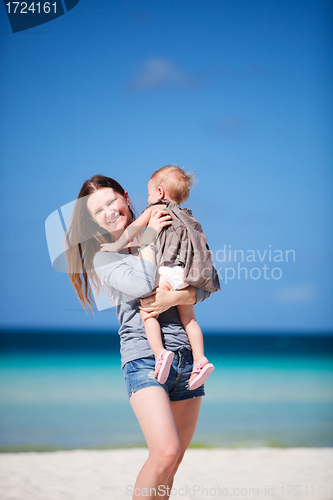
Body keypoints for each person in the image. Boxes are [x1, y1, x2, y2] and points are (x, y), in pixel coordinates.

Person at [66, 174, 214, 500]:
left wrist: (174, 298)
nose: (108, 211)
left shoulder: (167, 235)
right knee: (164, 451)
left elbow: (202, 285)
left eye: (111, 201)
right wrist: (148, 232)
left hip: (185, 357)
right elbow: (145, 285)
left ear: (126, 197)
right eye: (97, 211)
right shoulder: (105, 256)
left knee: (172, 463)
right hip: (144, 357)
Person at [99, 165, 220, 390]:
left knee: (148, 311)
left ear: (160, 193)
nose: (148, 197)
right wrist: (178, 295)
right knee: (191, 320)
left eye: (149, 193)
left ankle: (160, 353)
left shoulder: (156, 210)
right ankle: (201, 359)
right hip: (185, 274)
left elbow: (133, 230)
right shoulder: (189, 219)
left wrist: (116, 245)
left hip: (166, 272)